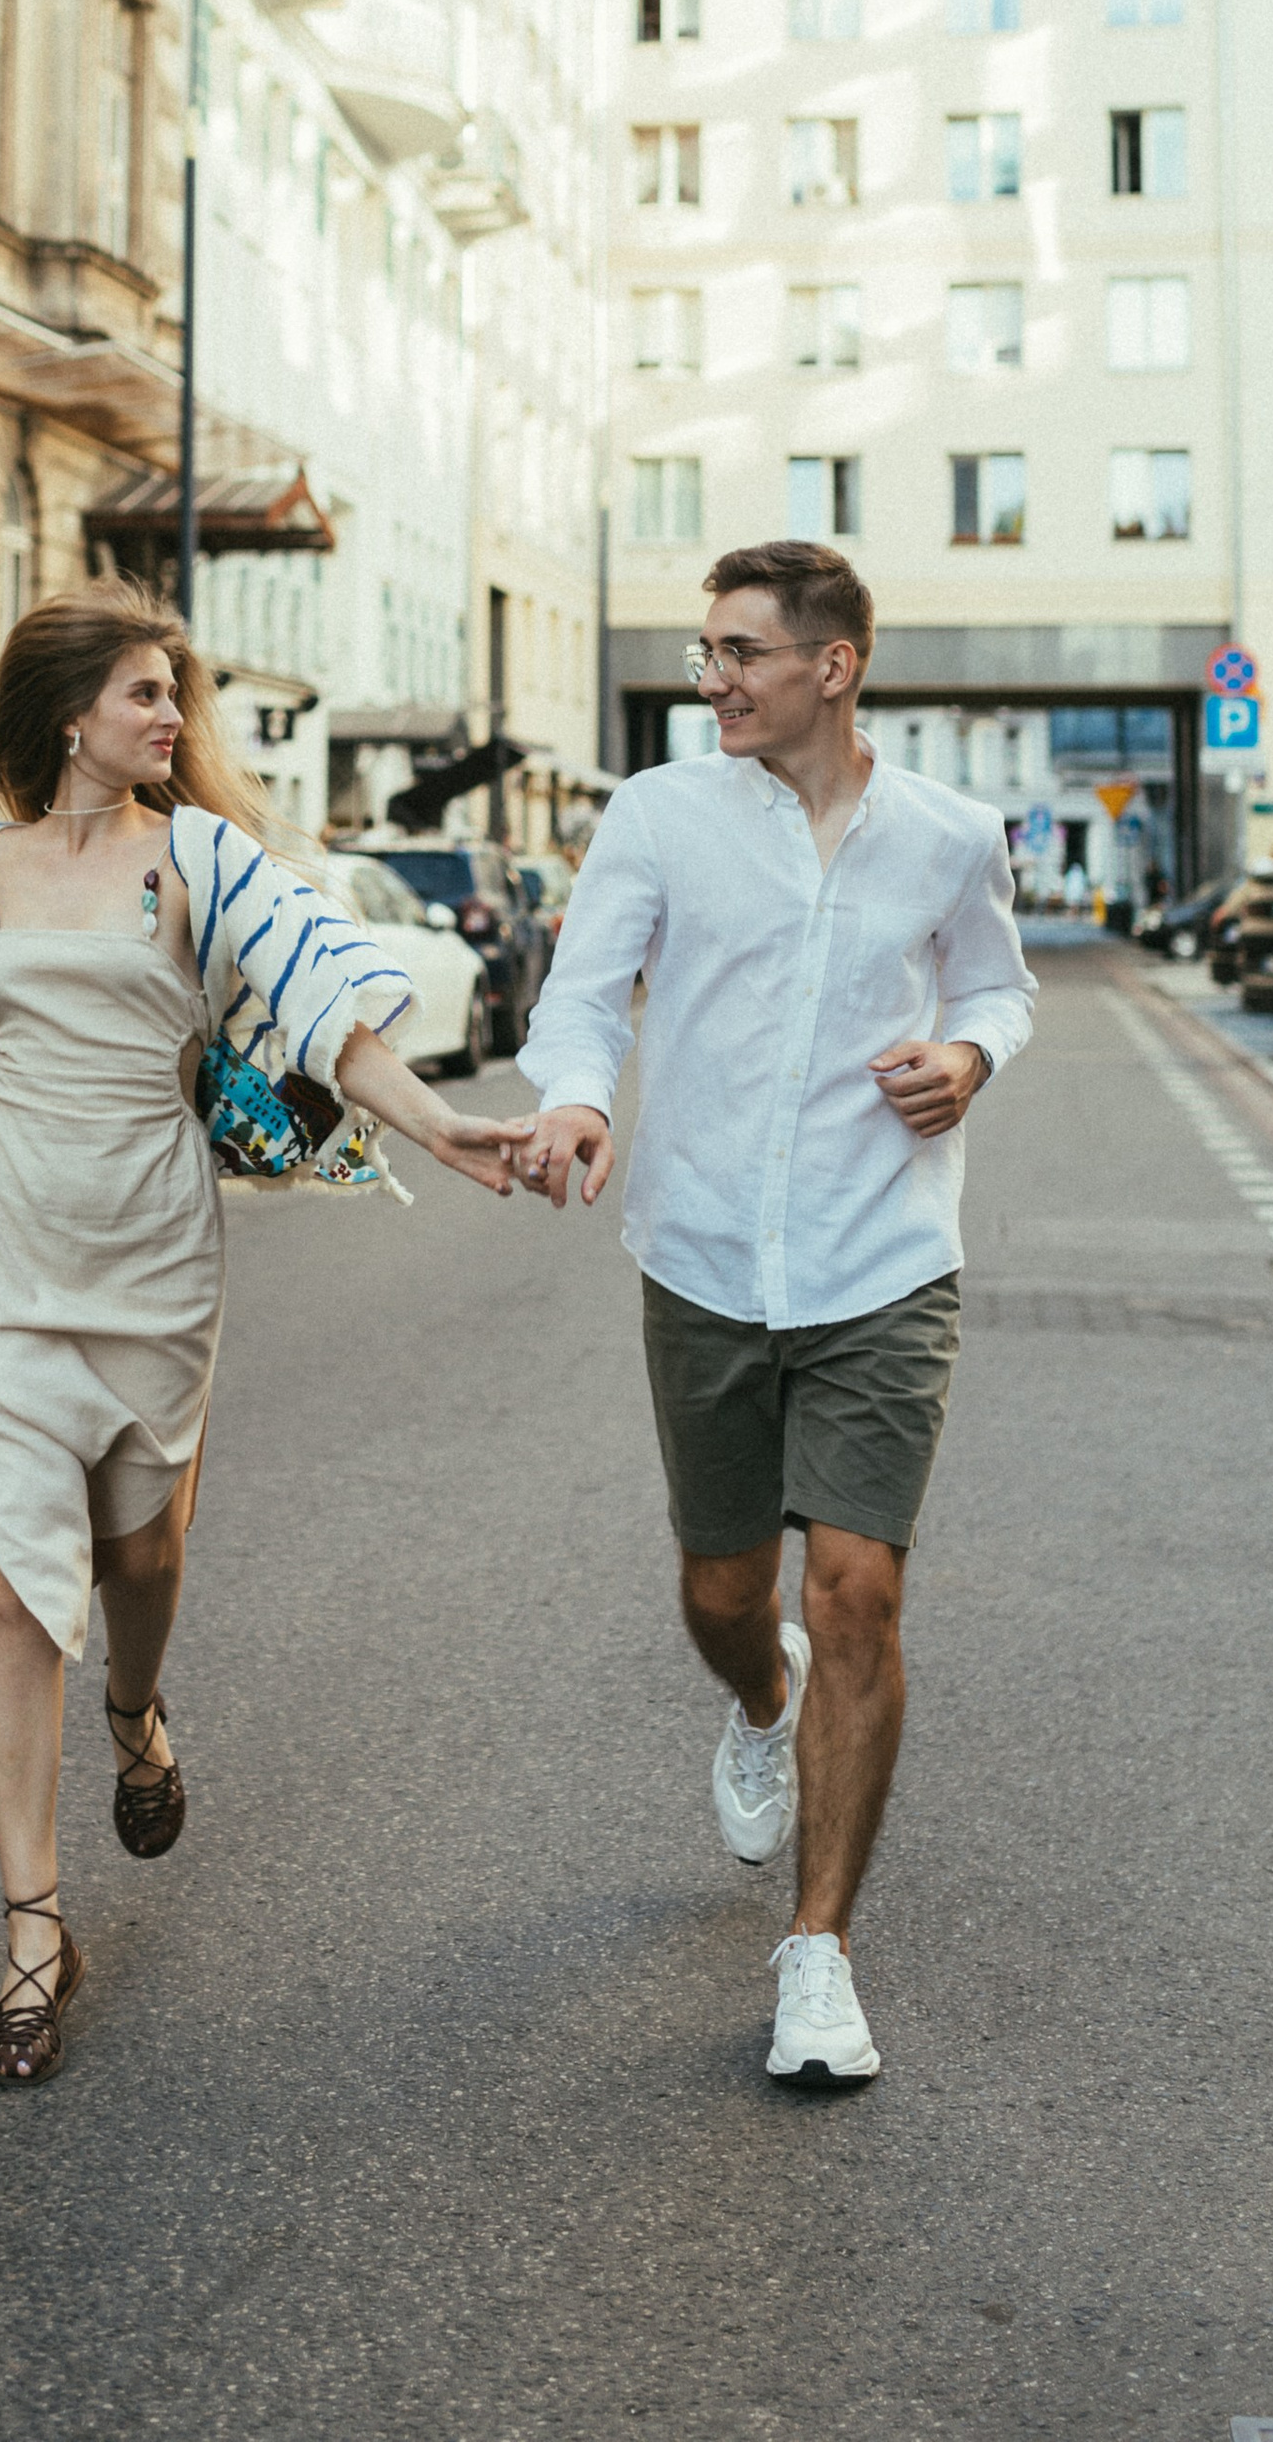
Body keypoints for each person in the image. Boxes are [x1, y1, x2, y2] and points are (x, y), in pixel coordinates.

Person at [0, 578, 527, 2086]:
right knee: (2, 1575)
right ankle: (34, 1936)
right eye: (143, 692)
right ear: (70, 714)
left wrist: (442, 1128)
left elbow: (325, 1006)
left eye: (174, 693)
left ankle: (134, 1711)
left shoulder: (199, 859)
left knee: (143, 1547)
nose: (170, 716)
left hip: (148, 1248)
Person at [516, 541, 1035, 2089]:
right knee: (727, 1593)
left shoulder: (949, 835)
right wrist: (571, 1100)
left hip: (884, 1259)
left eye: (742, 651)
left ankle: (818, 1955)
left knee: (859, 1588)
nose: (713, 678)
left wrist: (972, 1057)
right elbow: (585, 990)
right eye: (707, 651)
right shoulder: (663, 814)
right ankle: (760, 1700)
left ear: (835, 665)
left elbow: (1000, 986)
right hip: (706, 1260)